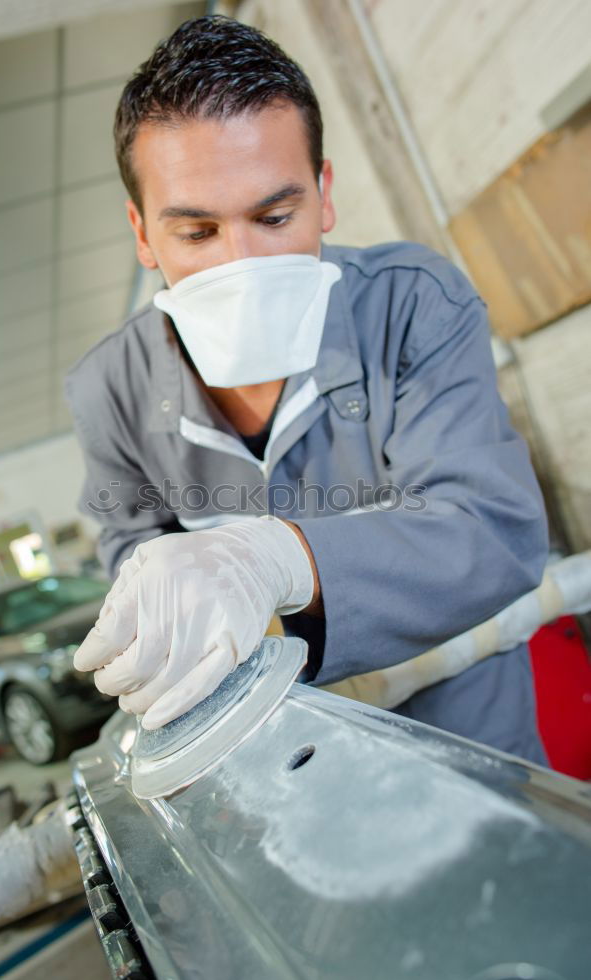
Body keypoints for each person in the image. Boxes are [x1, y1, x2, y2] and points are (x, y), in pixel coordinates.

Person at [65, 15, 549, 762]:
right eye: (196, 233)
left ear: (323, 194)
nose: (241, 264)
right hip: (269, 764)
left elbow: (489, 528)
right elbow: (138, 557)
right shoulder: (108, 389)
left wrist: (278, 560)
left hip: (465, 748)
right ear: (141, 233)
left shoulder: (413, 306)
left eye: (274, 216)